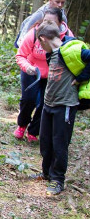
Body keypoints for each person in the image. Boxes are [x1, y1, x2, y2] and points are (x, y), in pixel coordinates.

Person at [30, 21, 90, 195]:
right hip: (49, 104)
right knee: (45, 142)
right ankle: (47, 173)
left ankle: (58, 179)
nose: (40, 47)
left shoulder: (71, 50)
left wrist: (81, 77)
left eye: (39, 43)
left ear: (43, 39)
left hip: (65, 105)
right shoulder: (52, 54)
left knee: (59, 144)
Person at [14, 8, 73, 142]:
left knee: (45, 104)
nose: (47, 25)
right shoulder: (34, 33)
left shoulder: (67, 35)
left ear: (60, 23)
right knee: (29, 99)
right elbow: (21, 55)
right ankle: (22, 125)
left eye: (51, 22)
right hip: (32, 70)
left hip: (52, 74)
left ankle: (33, 131)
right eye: (45, 21)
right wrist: (28, 67)